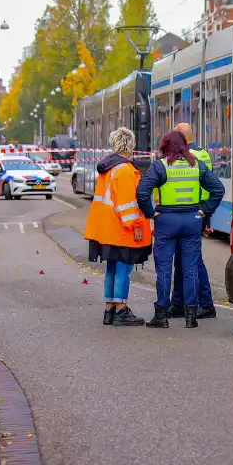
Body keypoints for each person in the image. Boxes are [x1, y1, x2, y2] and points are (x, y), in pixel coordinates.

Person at [136, 131, 225, 328]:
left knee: (164, 268)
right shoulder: (197, 166)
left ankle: (161, 315)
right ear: (185, 145)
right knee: (190, 267)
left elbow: (142, 191)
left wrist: (150, 213)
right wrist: (204, 210)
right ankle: (191, 317)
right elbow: (218, 189)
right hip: (192, 220)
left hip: (166, 221)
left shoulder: (160, 166)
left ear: (166, 146)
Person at [84, 127, 152, 326]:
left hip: (106, 229)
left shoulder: (108, 168)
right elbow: (126, 204)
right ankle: (121, 309)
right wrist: (137, 226)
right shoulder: (123, 170)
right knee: (124, 269)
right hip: (121, 230)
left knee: (112, 268)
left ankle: (109, 310)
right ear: (130, 145)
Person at [168, 122, 220, 320]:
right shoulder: (197, 153)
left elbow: (208, 187)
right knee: (184, 260)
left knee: (193, 261)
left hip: (193, 213)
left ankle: (205, 303)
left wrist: (204, 215)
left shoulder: (196, 155)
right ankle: (179, 303)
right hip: (190, 213)